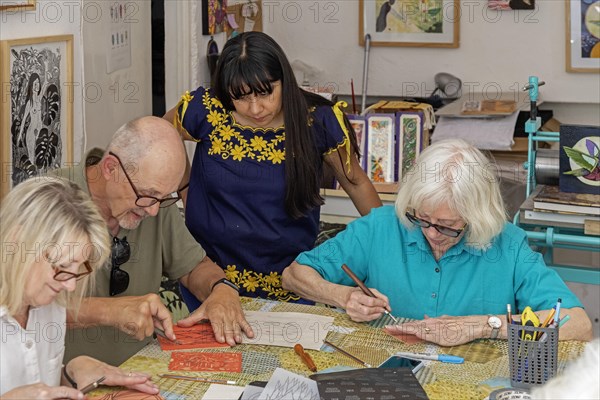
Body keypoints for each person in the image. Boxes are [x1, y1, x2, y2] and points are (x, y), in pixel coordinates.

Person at [282, 138, 593, 346]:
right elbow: (294, 275)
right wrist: (343, 296)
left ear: (477, 216)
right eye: (423, 219)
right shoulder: (381, 227)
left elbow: (577, 324)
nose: (431, 233)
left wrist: (483, 325)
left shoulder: (507, 245)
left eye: (448, 226)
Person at [164, 31, 381, 310]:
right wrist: (184, 187)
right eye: (240, 97)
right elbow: (159, 135)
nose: (256, 108)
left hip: (290, 278)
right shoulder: (206, 108)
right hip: (211, 276)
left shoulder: (317, 120)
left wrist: (391, 240)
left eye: (266, 92)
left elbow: (356, 184)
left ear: (284, 80)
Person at [49, 116, 252, 366]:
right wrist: (110, 311)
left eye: (165, 197)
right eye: (148, 196)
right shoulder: (46, 202)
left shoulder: (152, 202)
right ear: (110, 168)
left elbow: (194, 266)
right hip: (63, 381)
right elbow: (17, 303)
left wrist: (220, 289)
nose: (154, 211)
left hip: (142, 373)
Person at [0, 177, 159, 398]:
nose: (71, 285)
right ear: (17, 241)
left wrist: (72, 372)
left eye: (78, 269)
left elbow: (36, 383)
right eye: (63, 266)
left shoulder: (48, 303)